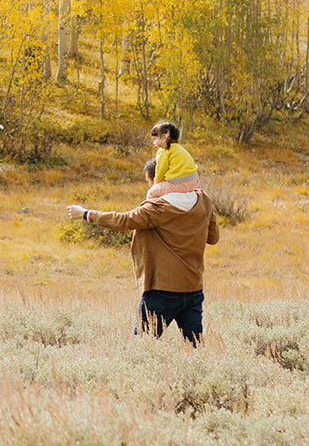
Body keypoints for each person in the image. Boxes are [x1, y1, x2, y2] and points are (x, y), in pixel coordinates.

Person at [66, 164, 219, 346]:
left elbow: (123, 220)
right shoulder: (203, 199)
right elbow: (213, 238)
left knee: (140, 349)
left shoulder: (158, 208)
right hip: (193, 287)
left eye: (149, 182)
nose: (150, 188)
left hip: (162, 290)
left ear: (159, 181)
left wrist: (85, 214)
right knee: (195, 348)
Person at [147, 119, 200, 200]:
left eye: (155, 139)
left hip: (180, 184)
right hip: (194, 182)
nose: (154, 142)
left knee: (152, 192)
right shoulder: (180, 148)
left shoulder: (163, 151)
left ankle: (150, 211)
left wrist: (156, 183)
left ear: (165, 137)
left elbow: (160, 173)